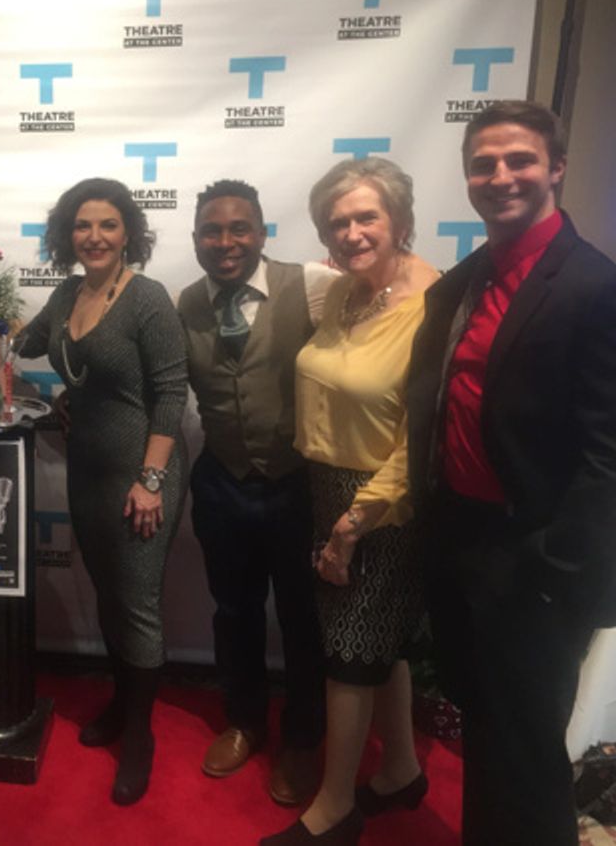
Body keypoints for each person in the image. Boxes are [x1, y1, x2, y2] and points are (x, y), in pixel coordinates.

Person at [408, 100, 616, 846]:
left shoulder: (595, 287)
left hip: (535, 562)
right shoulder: (460, 284)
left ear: (556, 168)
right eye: (483, 164)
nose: (501, 176)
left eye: (520, 160)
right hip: (463, 543)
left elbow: (608, 456)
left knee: (527, 753)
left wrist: (553, 571)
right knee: (489, 736)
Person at [264, 158, 439, 846]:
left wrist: (353, 522)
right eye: (338, 221)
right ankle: (399, 769)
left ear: (399, 218)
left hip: (379, 503)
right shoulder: (344, 294)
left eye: (367, 216)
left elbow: (418, 439)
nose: (353, 231)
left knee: (348, 655)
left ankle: (336, 806)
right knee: (381, 646)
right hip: (326, 485)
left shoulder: (433, 303)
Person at [18, 178, 188, 806]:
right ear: (67, 235)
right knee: (112, 596)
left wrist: (150, 482)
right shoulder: (66, 293)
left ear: (128, 234)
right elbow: (28, 340)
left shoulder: (146, 299)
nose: (94, 237)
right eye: (82, 226)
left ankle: (139, 735)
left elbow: (171, 393)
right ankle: (122, 704)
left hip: (144, 474)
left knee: (137, 600)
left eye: (108, 225)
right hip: (87, 468)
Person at [177, 180, 337, 805]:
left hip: (299, 485)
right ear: (195, 240)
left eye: (239, 228)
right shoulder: (183, 302)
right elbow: (160, 386)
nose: (226, 242)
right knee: (234, 613)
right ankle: (244, 720)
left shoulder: (313, 287)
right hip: (223, 483)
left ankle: (302, 739)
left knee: (302, 620)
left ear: (263, 232)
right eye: (212, 231)